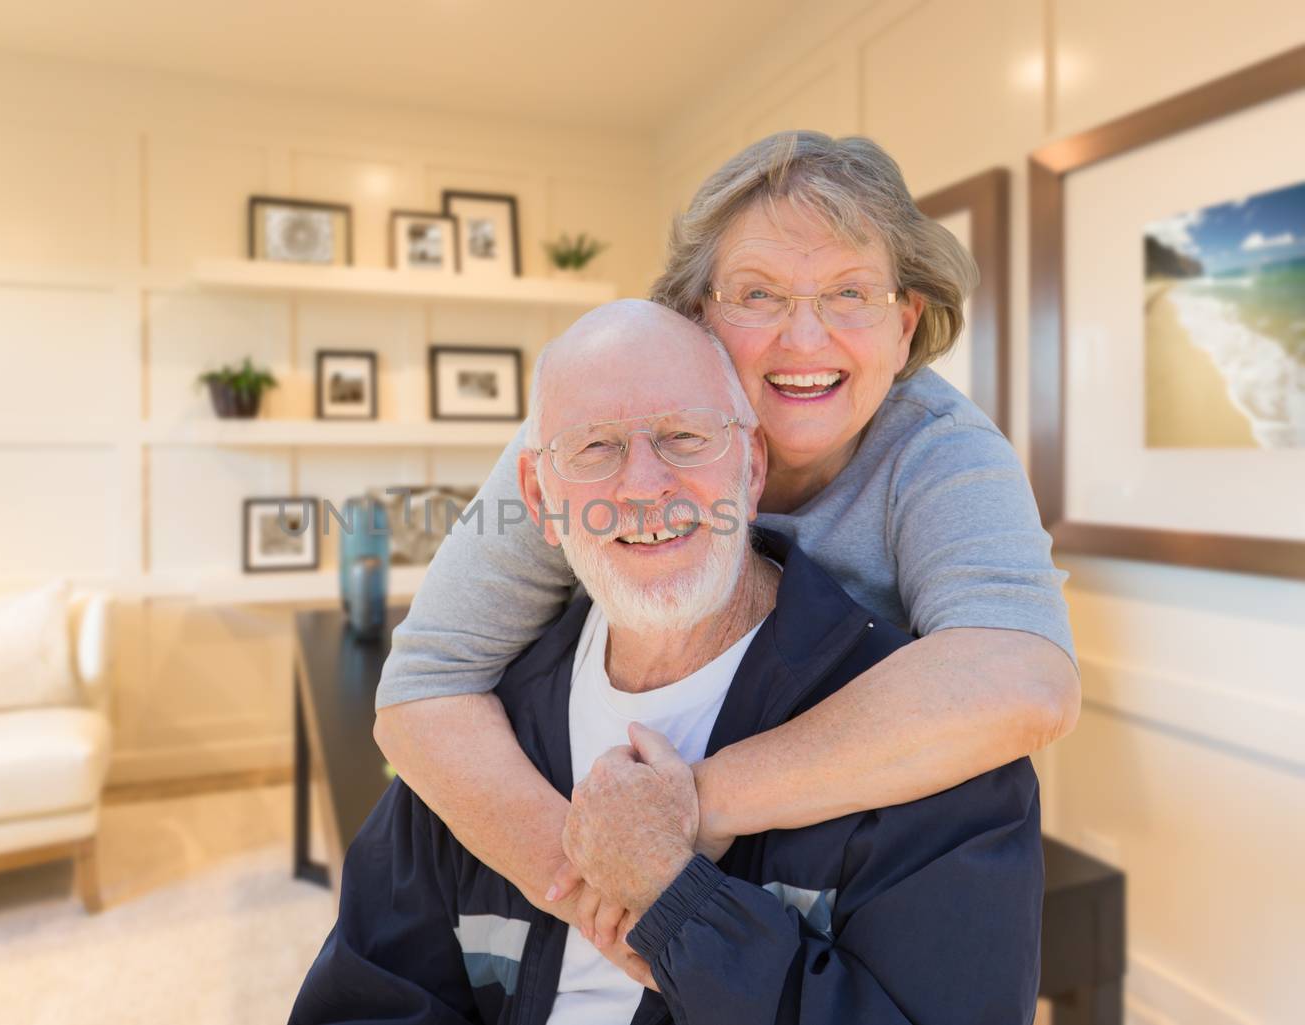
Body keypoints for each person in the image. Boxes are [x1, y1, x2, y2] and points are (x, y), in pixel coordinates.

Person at [373, 131, 1078, 952]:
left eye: (851, 293)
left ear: (905, 322)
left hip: (845, 868)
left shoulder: (940, 450)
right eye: (758, 294)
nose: (805, 339)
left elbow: (1025, 676)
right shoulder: (583, 443)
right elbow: (423, 687)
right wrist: (598, 895)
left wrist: (691, 806)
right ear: (696, 314)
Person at [290, 303, 1043, 1024]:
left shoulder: (926, 740)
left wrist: (678, 904)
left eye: (686, 436)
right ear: (540, 499)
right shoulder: (484, 735)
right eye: (595, 446)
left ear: (751, 469)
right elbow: (369, 997)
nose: (643, 485)